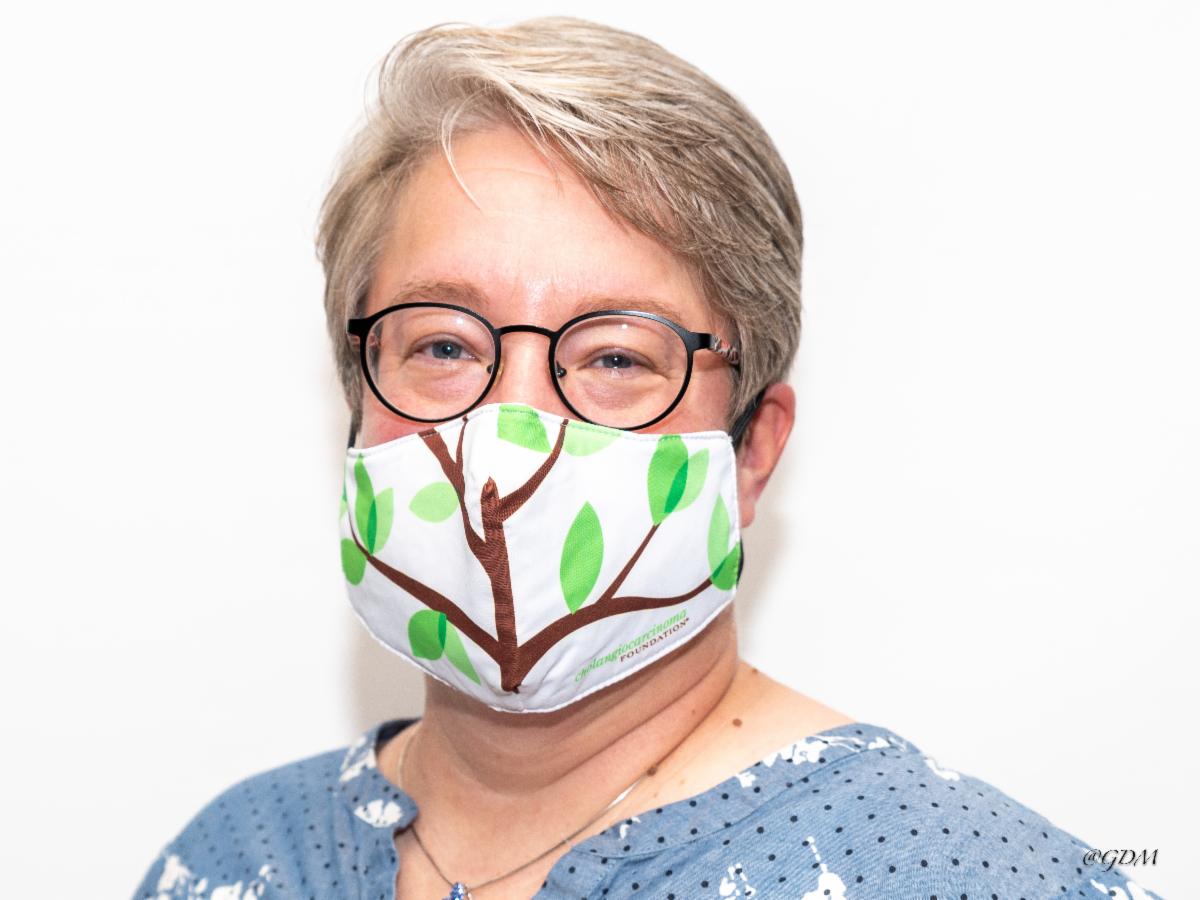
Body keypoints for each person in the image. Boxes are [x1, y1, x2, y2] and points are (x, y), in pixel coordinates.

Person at [133, 17, 1163, 900]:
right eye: (443, 345)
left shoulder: (958, 874)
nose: (512, 429)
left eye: (618, 357)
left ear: (752, 453)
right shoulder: (233, 859)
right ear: (358, 403)